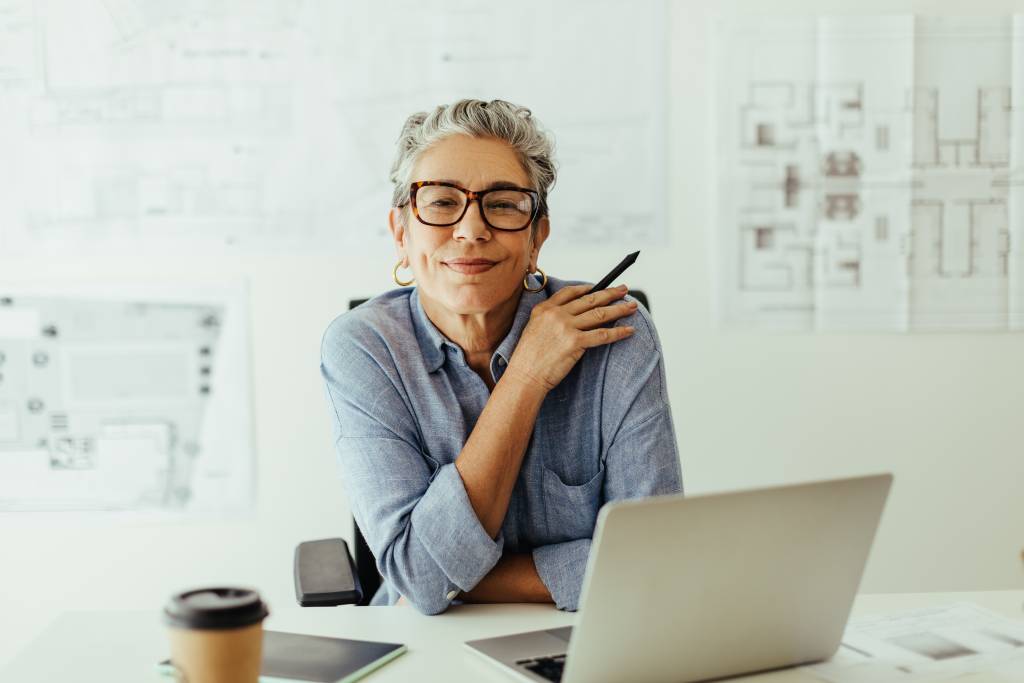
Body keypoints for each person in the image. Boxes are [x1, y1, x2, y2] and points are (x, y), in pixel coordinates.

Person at [320, 99, 682, 615]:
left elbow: (653, 559)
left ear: (537, 237)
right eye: (442, 203)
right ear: (402, 233)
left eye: (505, 203)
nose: (471, 230)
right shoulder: (364, 349)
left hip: (588, 637)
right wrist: (528, 375)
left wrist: (462, 577)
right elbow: (419, 580)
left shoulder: (612, 330)